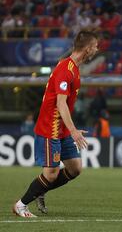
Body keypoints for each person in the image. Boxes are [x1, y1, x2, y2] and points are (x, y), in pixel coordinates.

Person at [12, 30, 98, 218]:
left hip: (62, 129)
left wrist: (70, 129)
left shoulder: (74, 68)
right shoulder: (65, 69)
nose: (97, 50)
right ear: (88, 48)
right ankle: (21, 205)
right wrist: (74, 131)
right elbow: (60, 103)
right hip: (50, 128)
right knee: (50, 173)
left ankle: (41, 190)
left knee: (75, 168)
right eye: (95, 46)